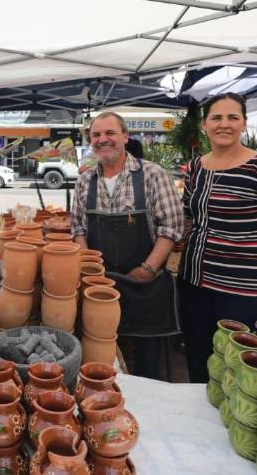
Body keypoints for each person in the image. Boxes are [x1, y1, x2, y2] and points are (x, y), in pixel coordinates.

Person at [179, 93, 257, 383]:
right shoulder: (196, 168)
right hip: (193, 282)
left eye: (233, 117)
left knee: (239, 368)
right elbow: (188, 219)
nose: (224, 124)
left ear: (244, 124)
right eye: (216, 117)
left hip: (242, 290)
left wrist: (254, 259)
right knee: (198, 357)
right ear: (205, 125)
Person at [71, 112, 183, 380]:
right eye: (96, 135)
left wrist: (148, 268)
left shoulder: (153, 175)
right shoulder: (85, 181)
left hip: (145, 286)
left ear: (125, 136)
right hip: (100, 286)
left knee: (147, 364)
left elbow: (171, 228)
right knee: (101, 362)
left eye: (110, 133)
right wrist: (89, 270)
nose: (102, 140)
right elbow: (78, 228)